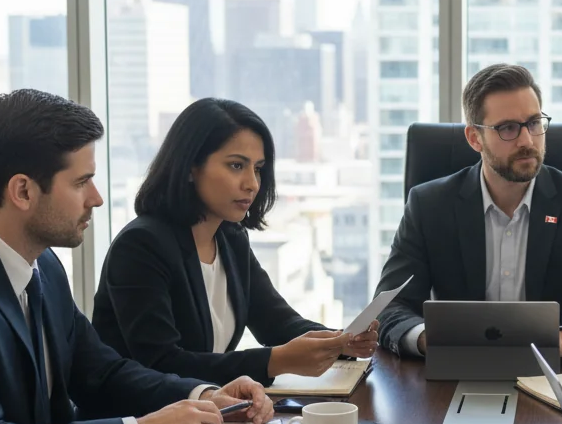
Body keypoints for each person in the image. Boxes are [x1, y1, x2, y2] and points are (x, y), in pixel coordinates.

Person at [0, 89, 272, 424]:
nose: (97, 199)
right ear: (23, 191)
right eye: (82, 182)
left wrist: (204, 396)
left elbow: (103, 372)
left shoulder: (44, 267)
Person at [93, 98, 377, 387]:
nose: (252, 183)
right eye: (236, 165)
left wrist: (341, 340)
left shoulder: (231, 238)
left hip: (208, 416)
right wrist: (275, 360)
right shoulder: (141, 246)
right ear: (191, 166)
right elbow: (162, 364)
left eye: (257, 168)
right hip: (140, 421)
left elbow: (277, 323)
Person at [374, 63, 562, 358]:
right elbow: (389, 308)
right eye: (508, 128)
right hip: (453, 372)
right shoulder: (429, 205)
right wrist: (430, 340)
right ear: (475, 138)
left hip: (554, 374)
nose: (527, 140)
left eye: (534, 123)